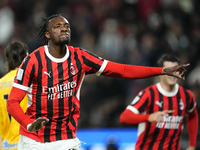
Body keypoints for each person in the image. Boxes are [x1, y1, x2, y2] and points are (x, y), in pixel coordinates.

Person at [6, 14, 189, 150]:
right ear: (47, 34)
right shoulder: (33, 61)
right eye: (58, 26)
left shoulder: (80, 58)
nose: (64, 28)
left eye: (67, 26)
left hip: (66, 140)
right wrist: (28, 122)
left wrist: (162, 71)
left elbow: (123, 70)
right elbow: (13, 102)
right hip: (34, 141)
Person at [120, 54, 198, 150]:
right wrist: (149, 117)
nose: (173, 73)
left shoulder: (186, 95)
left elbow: (193, 115)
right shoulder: (149, 94)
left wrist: (192, 145)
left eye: (176, 70)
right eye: (169, 70)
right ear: (161, 73)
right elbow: (124, 117)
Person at [0, 41, 28, 150]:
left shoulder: (0, 84)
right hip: (28, 144)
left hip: (7, 145)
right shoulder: (30, 81)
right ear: (26, 56)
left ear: (7, 59)